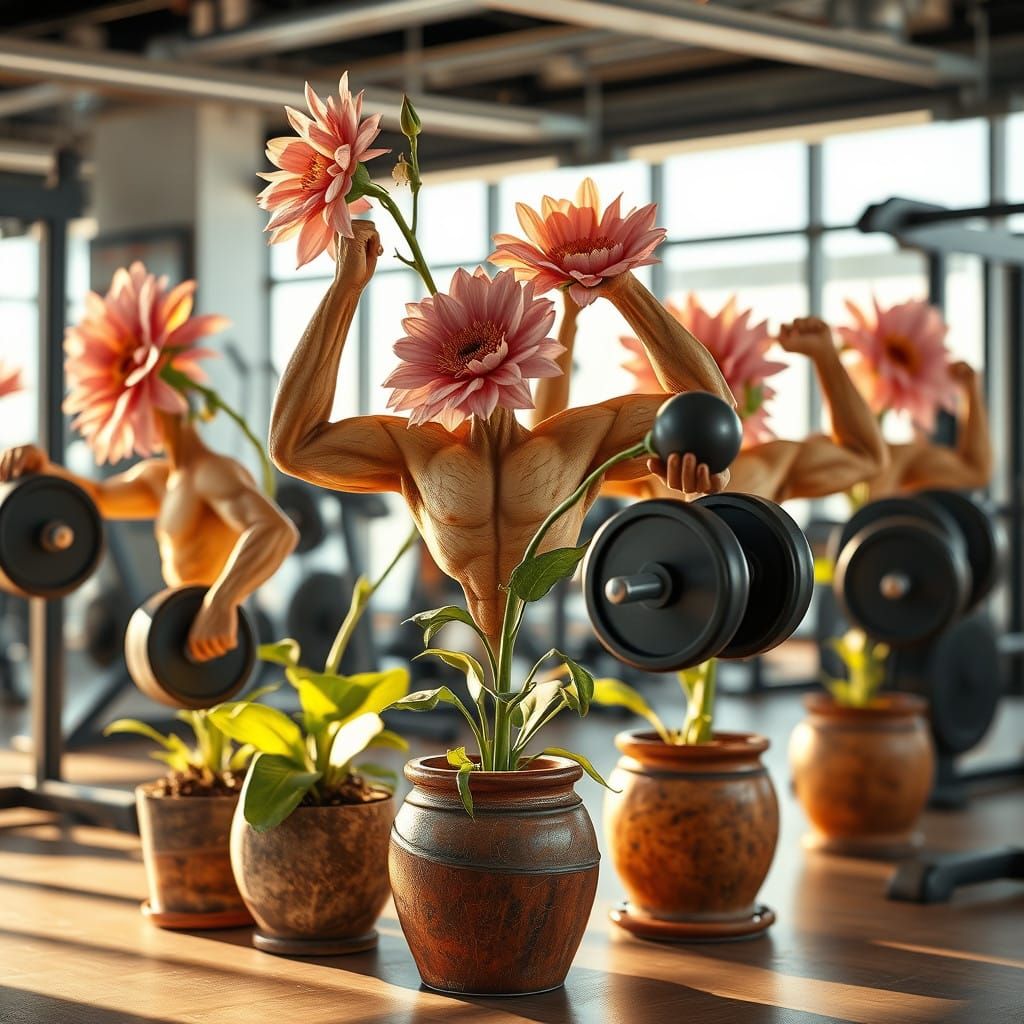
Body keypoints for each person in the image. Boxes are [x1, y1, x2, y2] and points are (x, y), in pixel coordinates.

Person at [269, 221, 734, 650]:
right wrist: (345, 289)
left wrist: (624, 289)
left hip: (550, 654)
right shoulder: (418, 449)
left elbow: (711, 411)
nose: (477, 359)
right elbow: (293, 447)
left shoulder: (574, 441)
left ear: (526, 347)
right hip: (477, 669)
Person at [0, 413, 297, 662]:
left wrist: (222, 602)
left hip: (218, 635)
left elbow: (275, 531)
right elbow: (98, 498)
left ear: (166, 406)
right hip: (182, 624)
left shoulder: (213, 472)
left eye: (130, 411)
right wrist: (43, 468)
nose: (126, 423)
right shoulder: (160, 478)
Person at [534, 296, 888, 503]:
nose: (707, 386)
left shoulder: (774, 463)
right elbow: (550, 450)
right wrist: (569, 319)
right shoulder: (647, 466)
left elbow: (868, 458)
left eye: (713, 374)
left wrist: (826, 356)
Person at [863, 360, 991, 498]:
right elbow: (977, 470)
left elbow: (977, 470)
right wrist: (970, 388)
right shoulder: (896, 456)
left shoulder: (901, 457)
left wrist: (970, 388)